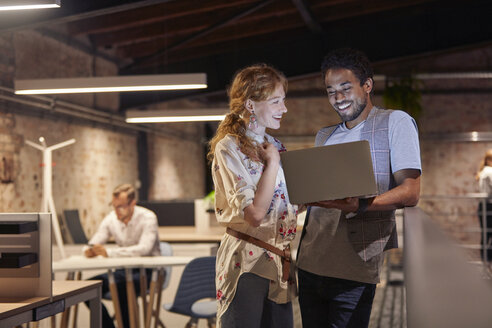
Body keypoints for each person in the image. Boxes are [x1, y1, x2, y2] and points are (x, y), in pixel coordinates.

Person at [296, 48, 421, 328]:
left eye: (345, 87)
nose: (338, 98)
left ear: (367, 85)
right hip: (309, 262)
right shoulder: (324, 135)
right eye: (330, 91)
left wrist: (361, 205)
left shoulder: (395, 122)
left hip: (354, 269)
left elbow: (411, 192)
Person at [207, 63, 298, 328]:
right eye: (276, 101)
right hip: (246, 262)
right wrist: (272, 164)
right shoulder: (229, 148)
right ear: (250, 104)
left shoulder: (276, 146)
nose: (284, 108)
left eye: (283, 100)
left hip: (279, 262)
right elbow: (256, 215)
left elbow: (284, 207)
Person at [83, 183, 160, 328]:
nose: (116, 210)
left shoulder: (148, 217)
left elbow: (144, 249)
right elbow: (94, 241)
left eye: (121, 206)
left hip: (148, 272)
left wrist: (110, 253)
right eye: (114, 205)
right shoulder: (111, 218)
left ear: (133, 203)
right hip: (122, 271)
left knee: (123, 287)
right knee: (86, 288)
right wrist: (89, 250)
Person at [476, 149, 492, 263]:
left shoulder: (483, 171)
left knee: (485, 235)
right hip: (490, 206)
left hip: (483, 206)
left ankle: (484, 262)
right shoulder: (490, 171)